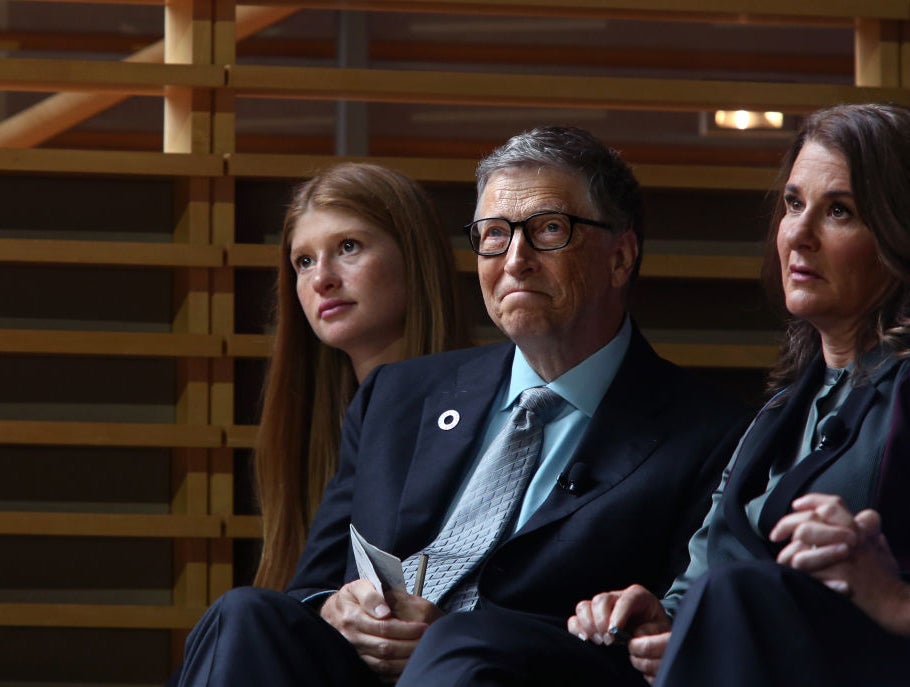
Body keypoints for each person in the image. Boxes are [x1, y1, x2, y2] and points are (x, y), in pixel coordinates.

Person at [172, 126, 745, 686]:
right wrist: (334, 610)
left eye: (548, 229)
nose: (515, 259)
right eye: (494, 234)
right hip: (358, 671)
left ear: (620, 258)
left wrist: (453, 636)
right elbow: (309, 589)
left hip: (509, 670)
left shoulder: (709, 435)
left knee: (465, 642)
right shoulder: (397, 396)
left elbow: (668, 642)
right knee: (243, 615)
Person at [561, 103, 910, 687]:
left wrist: (893, 598)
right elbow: (706, 584)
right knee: (480, 639)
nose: (798, 233)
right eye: (794, 204)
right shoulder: (778, 412)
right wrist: (666, 620)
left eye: (840, 211)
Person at [253, 161, 469, 591]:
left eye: (348, 247)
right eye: (304, 261)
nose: (322, 280)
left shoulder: (499, 406)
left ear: (415, 257)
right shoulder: (305, 433)